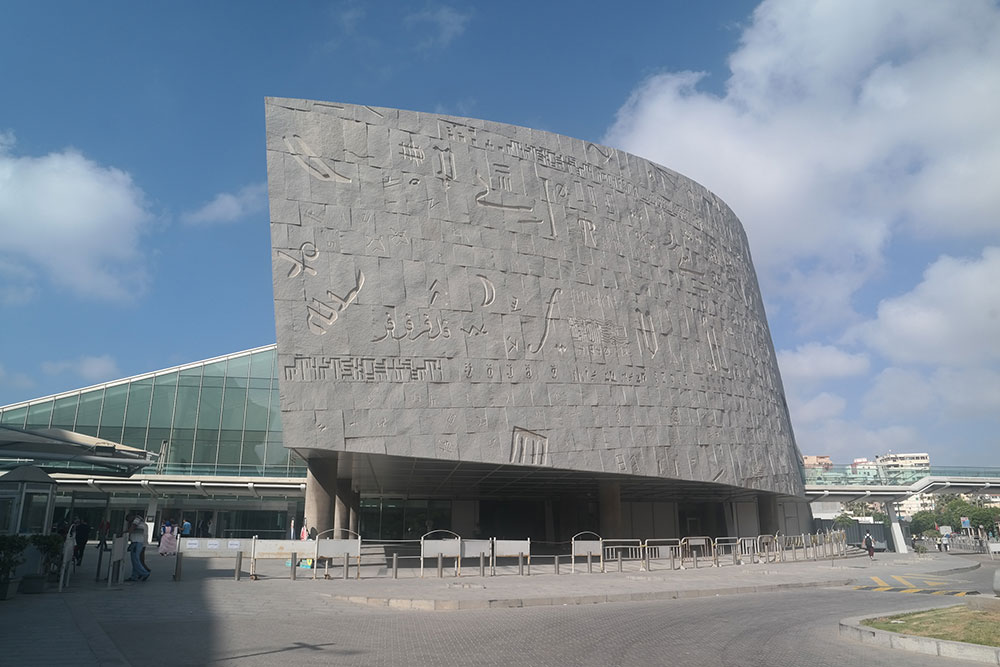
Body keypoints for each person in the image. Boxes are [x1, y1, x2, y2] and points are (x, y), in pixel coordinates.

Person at [126, 514, 150, 581]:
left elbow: (132, 528)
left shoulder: (136, 520)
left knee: (135, 560)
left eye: (128, 520)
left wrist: (125, 532)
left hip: (136, 542)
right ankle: (134, 576)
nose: (128, 521)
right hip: (138, 542)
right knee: (135, 560)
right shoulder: (142, 522)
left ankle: (145, 573)